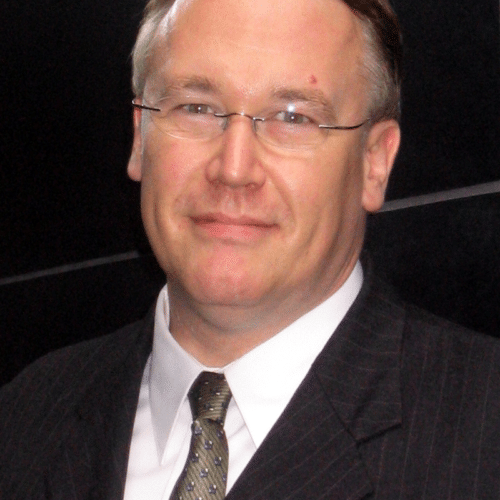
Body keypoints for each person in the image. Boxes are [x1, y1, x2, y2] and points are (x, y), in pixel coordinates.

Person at [2, 0, 500, 498]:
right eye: (196, 108)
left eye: (293, 117)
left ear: (374, 163)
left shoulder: (484, 430)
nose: (233, 169)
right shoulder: (23, 420)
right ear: (140, 137)